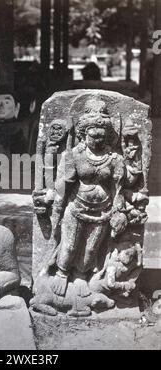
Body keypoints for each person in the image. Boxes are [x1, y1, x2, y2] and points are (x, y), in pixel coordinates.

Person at [51, 100, 127, 298]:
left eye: (102, 135)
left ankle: (80, 275)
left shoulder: (114, 158)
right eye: (93, 134)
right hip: (76, 206)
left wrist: (118, 212)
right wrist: (57, 205)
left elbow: (118, 188)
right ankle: (61, 272)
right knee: (69, 246)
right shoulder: (74, 155)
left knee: (91, 249)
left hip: (103, 210)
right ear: (84, 134)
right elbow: (63, 186)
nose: (97, 139)